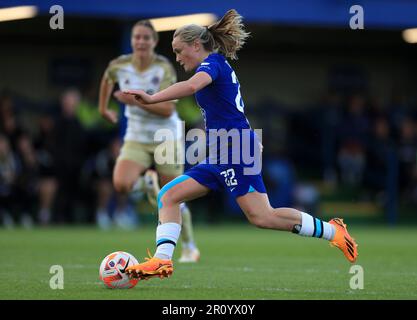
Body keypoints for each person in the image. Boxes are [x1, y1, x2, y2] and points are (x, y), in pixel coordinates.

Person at [122, 9, 359, 280]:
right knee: (168, 195)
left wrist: (152, 99)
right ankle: (162, 261)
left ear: (196, 45)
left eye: (178, 51)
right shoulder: (215, 66)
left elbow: (190, 87)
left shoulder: (212, 64)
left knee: (262, 217)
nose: (177, 57)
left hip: (235, 149)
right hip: (224, 150)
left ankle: (334, 231)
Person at [98, 20, 200, 262]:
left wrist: (133, 101)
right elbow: (106, 80)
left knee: (174, 195)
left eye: (146, 38)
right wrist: (103, 109)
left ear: (154, 42)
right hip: (136, 136)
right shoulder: (119, 65)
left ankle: (189, 246)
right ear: (132, 40)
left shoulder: (163, 67)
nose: (141, 41)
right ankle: (146, 182)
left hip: (166, 136)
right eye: (137, 37)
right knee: (121, 183)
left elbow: (166, 110)